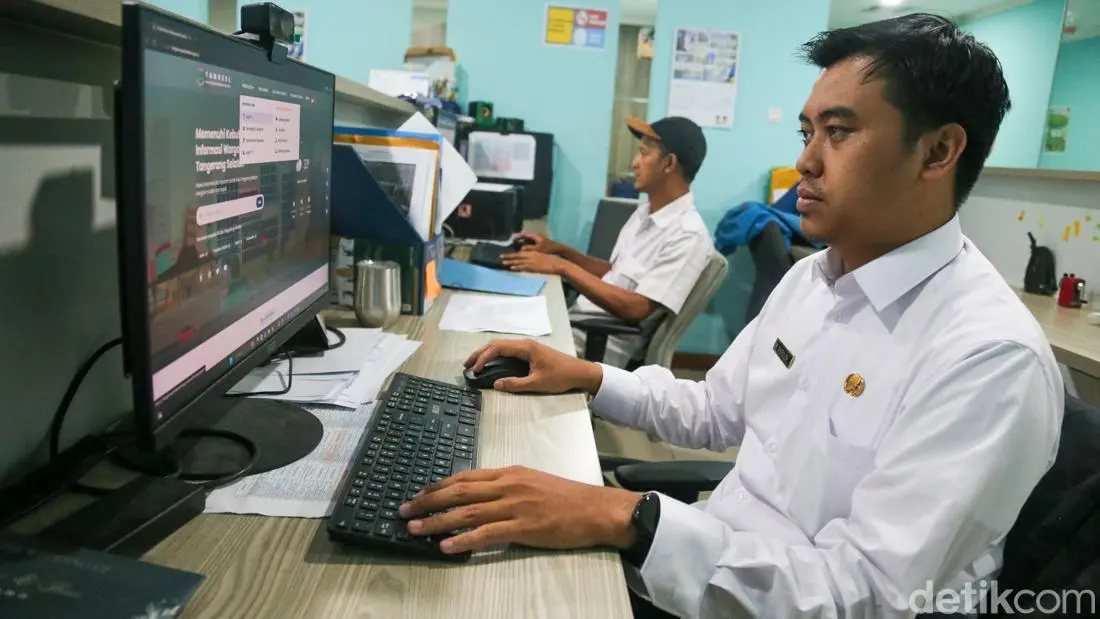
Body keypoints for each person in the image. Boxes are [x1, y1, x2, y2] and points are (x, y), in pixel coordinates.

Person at [399, 14, 1065, 619]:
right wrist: (589, 377)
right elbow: (714, 410)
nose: (805, 161)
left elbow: (861, 596)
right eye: (807, 132)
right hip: (708, 567)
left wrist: (628, 518)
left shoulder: (986, 357)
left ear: (938, 152)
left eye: (838, 132)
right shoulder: (813, 279)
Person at [500, 115, 713, 368]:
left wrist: (563, 267)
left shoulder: (687, 235)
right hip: (575, 323)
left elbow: (636, 307)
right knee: (500, 321)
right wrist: (559, 251)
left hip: (594, 349)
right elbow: (615, 273)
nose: (634, 163)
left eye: (644, 154)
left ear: (669, 163)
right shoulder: (645, 212)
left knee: (493, 349)